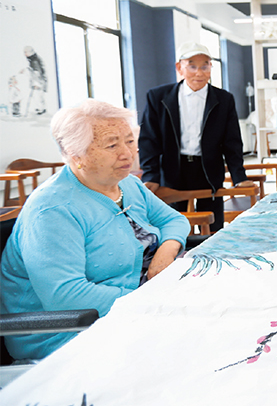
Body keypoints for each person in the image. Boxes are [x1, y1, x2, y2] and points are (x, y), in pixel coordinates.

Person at [0, 99, 189, 360]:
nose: (127, 153)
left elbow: (174, 220)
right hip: (68, 332)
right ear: (76, 154)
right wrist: (154, 299)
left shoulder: (126, 184)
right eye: (112, 145)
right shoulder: (53, 210)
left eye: (129, 141)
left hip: (138, 303)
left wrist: (165, 252)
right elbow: (66, 295)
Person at [138, 42, 253, 232]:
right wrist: (151, 175)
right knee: (176, 226)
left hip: (209, 171)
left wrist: (238, 176)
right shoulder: (158, 97)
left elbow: (232, 142)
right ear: (179, 68)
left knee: (213, 226)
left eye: (205, 66)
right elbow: (149, 140)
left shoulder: (224, 99)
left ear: (211, 68)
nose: (199, 73)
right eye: (192, 66)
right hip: (173, 170)